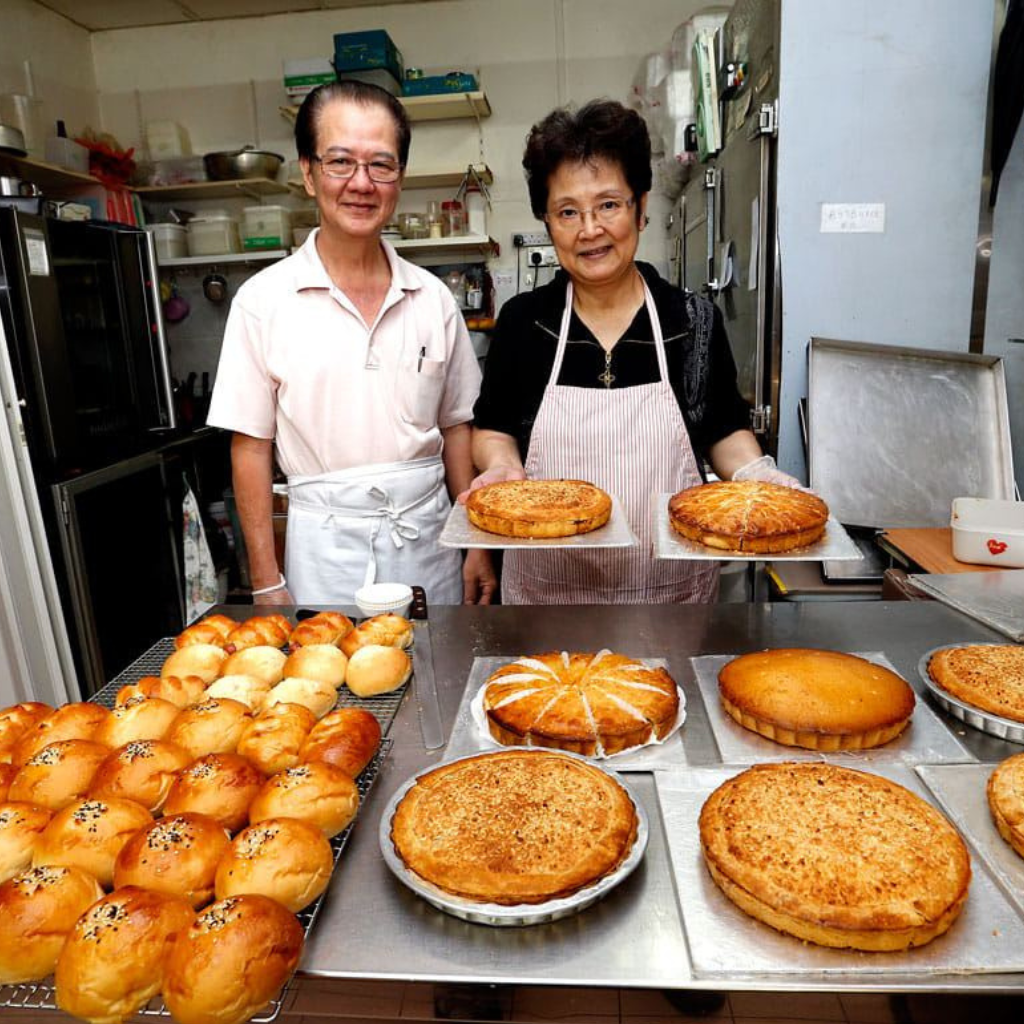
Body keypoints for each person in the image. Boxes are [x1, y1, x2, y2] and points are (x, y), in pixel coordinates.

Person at [464, 99, 802, 605]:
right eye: (567, 212)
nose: (589, 230)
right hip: (546, 596)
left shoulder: (691, 320)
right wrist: (498, 467)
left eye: (608, 205)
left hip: (670, 596)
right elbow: (493, 428)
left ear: (641, 208)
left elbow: (724, 430)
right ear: (548, 222)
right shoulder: (524, 321)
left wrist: (758, 476)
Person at [207, 80, 495, 607]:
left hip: (428, 542)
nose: (361, 183)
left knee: (439, 677)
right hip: (323, 551)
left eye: (380, 165)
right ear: (308, 172)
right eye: (340, 161)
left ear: (400, 178)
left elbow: (457, 427)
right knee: (333, 686)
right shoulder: (263, 300)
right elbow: (250, 447)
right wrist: (267, 580)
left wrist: (473, 545)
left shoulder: (432, 298)